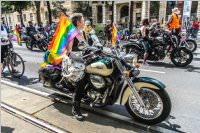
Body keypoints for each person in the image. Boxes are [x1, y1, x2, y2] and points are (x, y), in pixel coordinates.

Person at [66, 13, 86, 121]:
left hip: (84, 60)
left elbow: (86, 47)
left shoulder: (83, 33)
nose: (84, 22)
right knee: (81, 82)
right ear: (78, 22)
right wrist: (80, 58)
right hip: (74, 62)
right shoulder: (72, 34)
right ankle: (75, 109)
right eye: (83, 20)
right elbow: (68, 52)